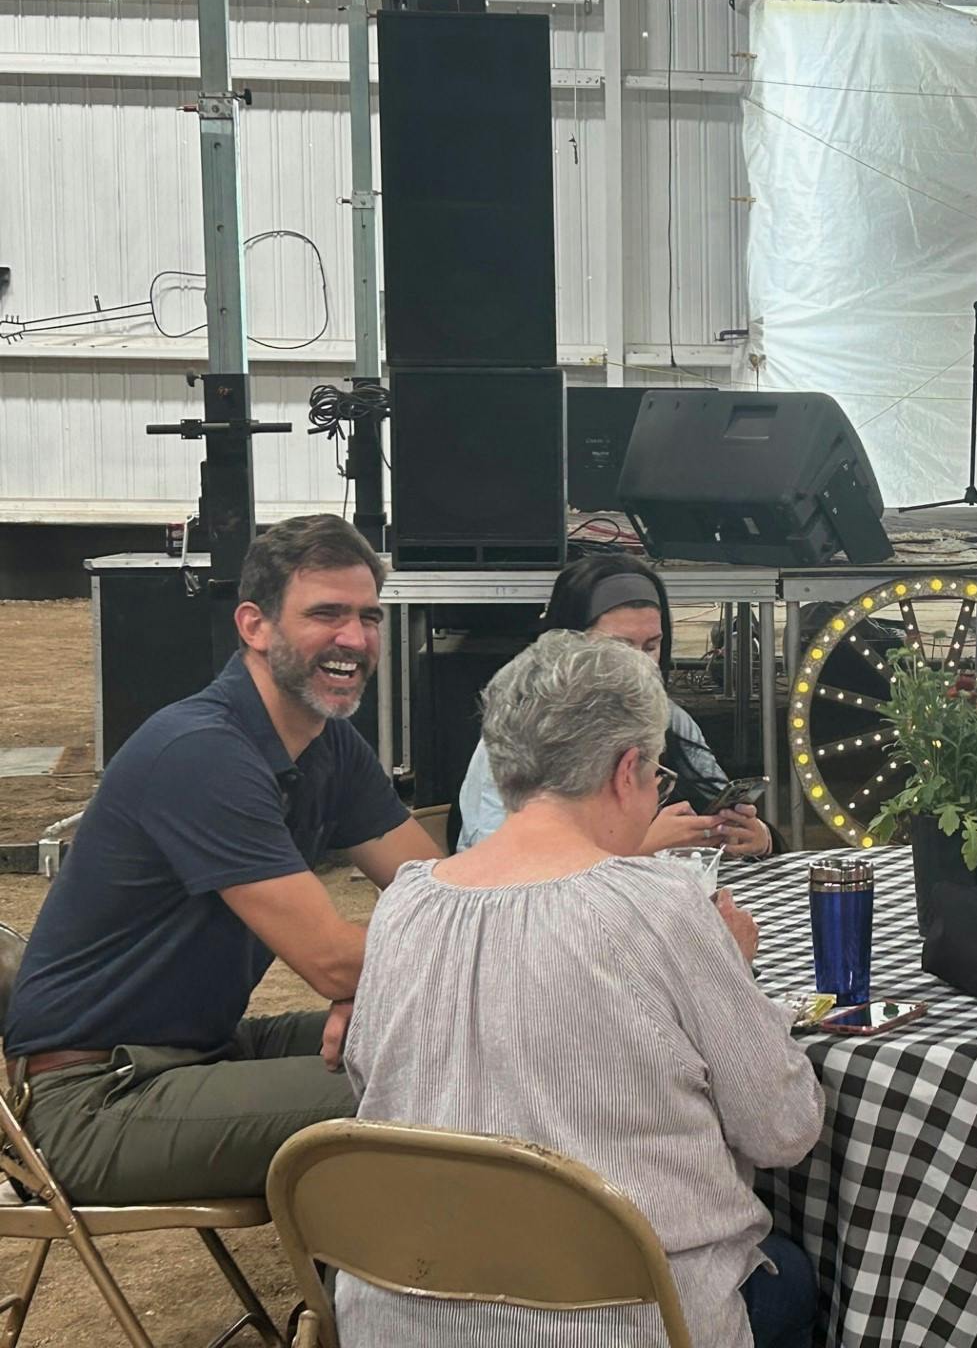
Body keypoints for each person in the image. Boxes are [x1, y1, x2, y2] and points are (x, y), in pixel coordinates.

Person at [342, 630, 822, 1348]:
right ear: (628, 770)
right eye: (658, 776)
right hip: (620, 1319)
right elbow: (783, 1129)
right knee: (796, 1276)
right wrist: (734, 969)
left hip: (403, 1312)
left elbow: (372, 1093)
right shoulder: (660, 905)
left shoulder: (404, 902)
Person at [1, 515, 440, 1204]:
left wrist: (383, 994)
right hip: (93, 1097)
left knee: (455, 1041)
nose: (354, 639)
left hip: (198, 1050)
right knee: (436, 1084)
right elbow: (330, 962)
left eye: (369, 617)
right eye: (326, 614)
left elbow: (437, 893)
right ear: (254, 626)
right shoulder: (202, 752)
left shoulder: (327, 743)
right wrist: (386, 983)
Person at [456, 553, 772, 859]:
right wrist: (640, 847)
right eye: (619, 648)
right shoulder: (521, 734)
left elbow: (717, 802)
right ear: (570, 647)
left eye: (651, 646)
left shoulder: (672, 720)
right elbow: (498, 865)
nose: (641, 665)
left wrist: (755, 835)